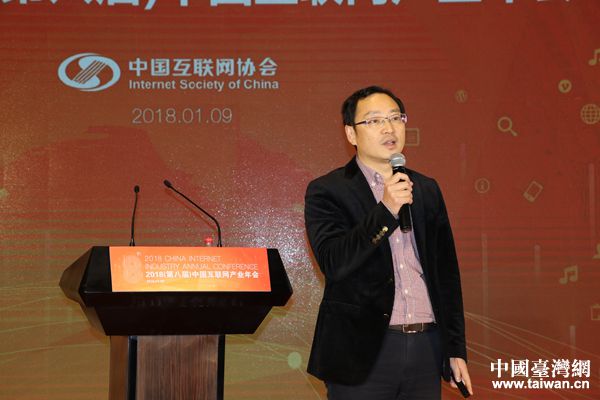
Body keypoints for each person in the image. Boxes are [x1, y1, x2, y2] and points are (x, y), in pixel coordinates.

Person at [304, 86, 473, 399]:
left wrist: (455, 348)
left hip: (426, 345)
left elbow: (446, 275)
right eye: (374, 120)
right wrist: (385, 211)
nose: (388, 128)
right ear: (351, 134)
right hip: (361, 353)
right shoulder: (327, 191)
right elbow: (334, 263)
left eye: (396, 118)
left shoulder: (426, 189)